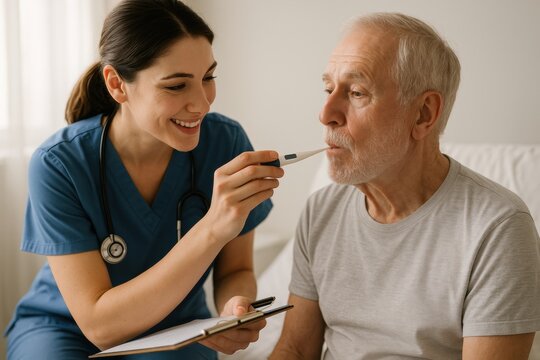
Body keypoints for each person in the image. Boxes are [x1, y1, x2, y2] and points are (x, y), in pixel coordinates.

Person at [5, 0, 284, 359]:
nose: (202, 103)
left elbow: (237, 269)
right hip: (65, 328)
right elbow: (100, 327)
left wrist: (235, 308)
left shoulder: (225, 143)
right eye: (176, 86)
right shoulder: (60, 163)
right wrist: (212, 227)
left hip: (178, 327)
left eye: (208, 78)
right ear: (117, 84)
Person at [270, 12, 540, 359]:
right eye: (327, 88)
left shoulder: (498, 228)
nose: (326, 113)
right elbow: (294, 349)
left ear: (423, 114)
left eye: (355, 92)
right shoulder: (321, 211)